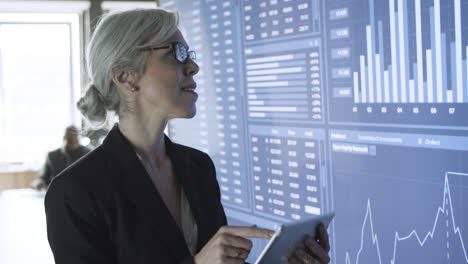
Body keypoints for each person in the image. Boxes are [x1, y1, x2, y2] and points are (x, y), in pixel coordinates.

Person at [44, 8, 330, 264]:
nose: (193, 67)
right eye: (175, 53)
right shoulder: (75, 191)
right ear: (125, 76)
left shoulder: (198, 166)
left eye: (189, 55)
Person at [31, 125, 90, 190]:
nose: (73, 142)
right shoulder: (52, 156)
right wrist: (38, 182)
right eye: (70, 140)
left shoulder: (87, 154)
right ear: (64, 138)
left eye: (75, 139)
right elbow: (42, 177)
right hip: (57, 192)